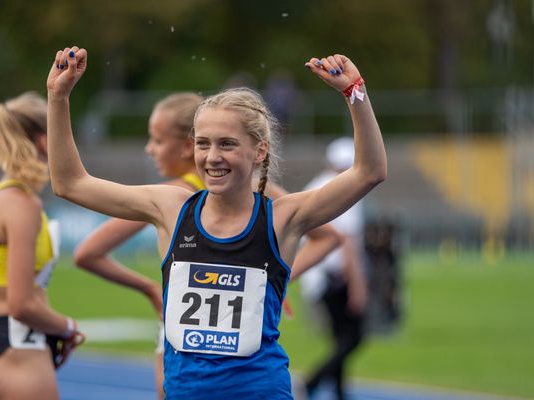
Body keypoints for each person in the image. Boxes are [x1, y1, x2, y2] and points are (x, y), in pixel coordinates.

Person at [46, 46, 386, 399]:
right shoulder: (171, 208)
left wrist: (354, 92)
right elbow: (70, 183)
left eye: (227, 144)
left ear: (260, 151)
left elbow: (369, 172)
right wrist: (58, 97)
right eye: (203, 144)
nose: (212, 157)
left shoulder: (282, 217)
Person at [73, 92, 342, 399]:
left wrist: (272, 279)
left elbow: (87, 252)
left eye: (157, 140)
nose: (150, 149)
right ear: (196, 145)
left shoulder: (247, 190)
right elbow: (74, 190)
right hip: (188, 352)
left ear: (184, 144)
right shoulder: (171, 203)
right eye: (205, 142)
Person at [0, 92, 85, 400]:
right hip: (20, 353)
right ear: (45, 141)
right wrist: (68, 327)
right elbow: (21, 304)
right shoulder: (23, 205)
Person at [299, 136, 369, 400]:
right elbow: (347, 244)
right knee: (353, 337)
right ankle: (312, 381)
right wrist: (358, 286)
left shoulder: (315, 184)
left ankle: (339, 391)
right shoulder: (344, 190)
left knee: (341, 338)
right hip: (334, 277)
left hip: (314, 275)